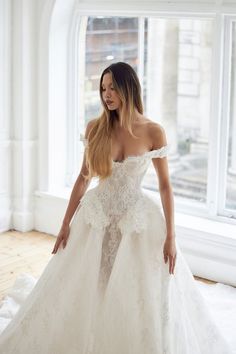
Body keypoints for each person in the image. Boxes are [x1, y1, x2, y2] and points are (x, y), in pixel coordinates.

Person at [0, 62, 231, 353]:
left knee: (133, 290)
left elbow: (164, 186)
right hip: (96, 216)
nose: (106, 94)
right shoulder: (95, 128)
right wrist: (65, 223)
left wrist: (172, 236)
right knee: (89, 282)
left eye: (112, 88)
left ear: (128, 88)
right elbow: (83, 178)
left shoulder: (153, 131)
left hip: (136, 220)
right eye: (103, 88)